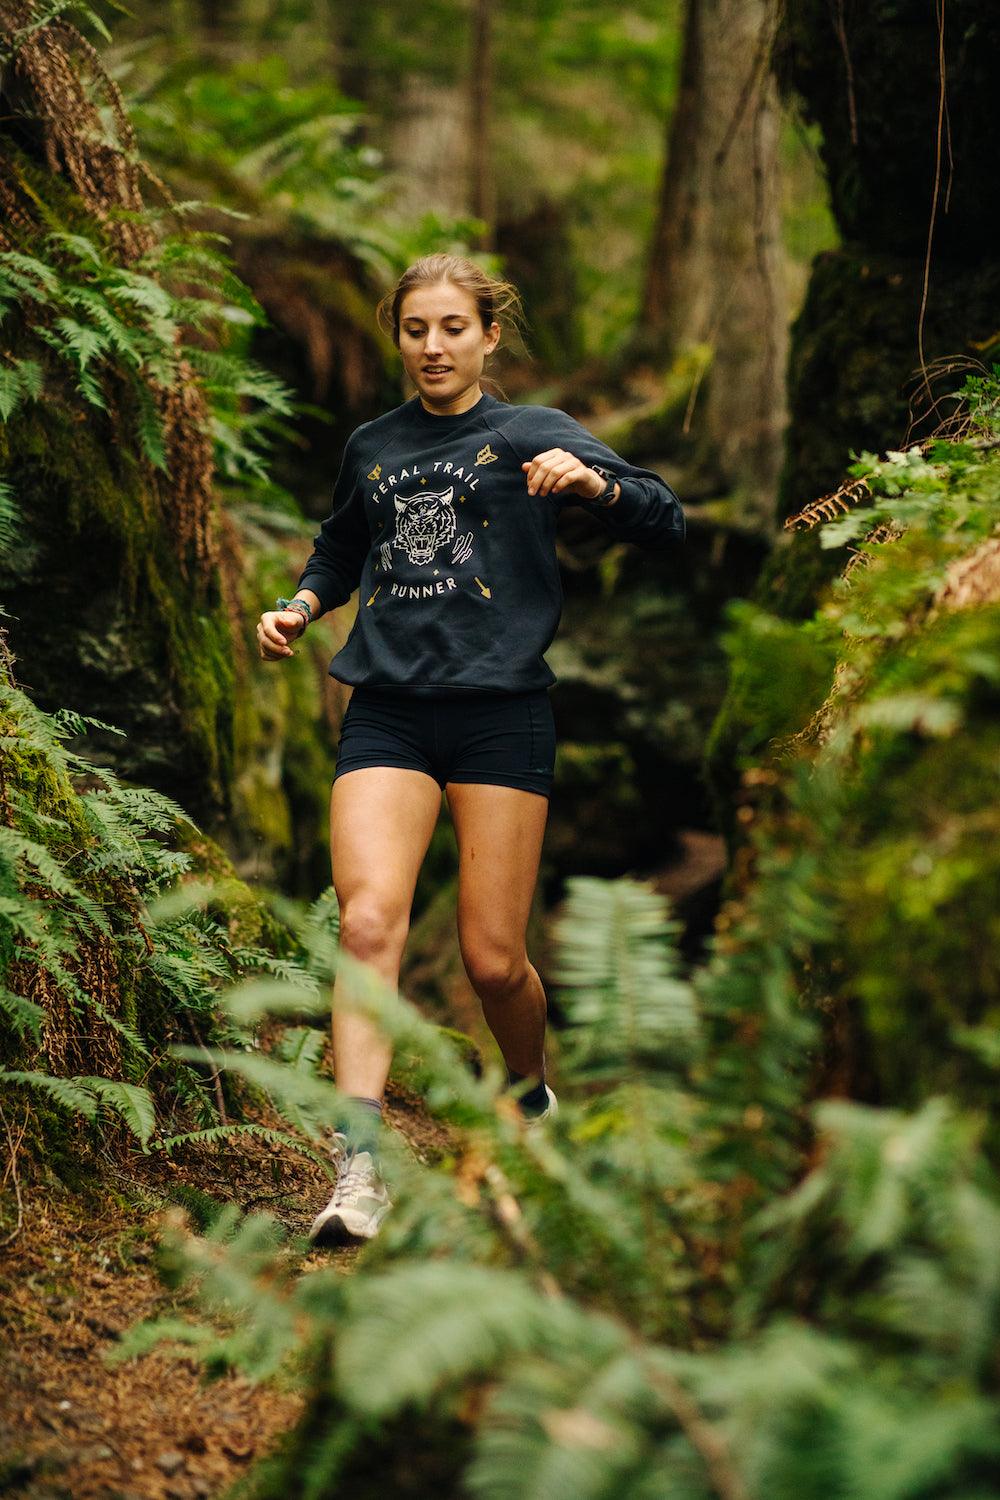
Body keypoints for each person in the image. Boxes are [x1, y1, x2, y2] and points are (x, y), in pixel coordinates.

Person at [256, 253, 685, 1247]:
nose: (434, 346)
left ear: (488, 337)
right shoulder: (372, 443)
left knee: (495, 963)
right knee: (368, 926)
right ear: (397, 337)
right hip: (388, 712)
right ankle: (356, 1167)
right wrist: (303, 603)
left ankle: (529, 1095)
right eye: (416, 329)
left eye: (453, 327)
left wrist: (593, 484)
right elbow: (341, 543)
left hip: (500, 715)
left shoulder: (531, 432)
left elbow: (663, 513)